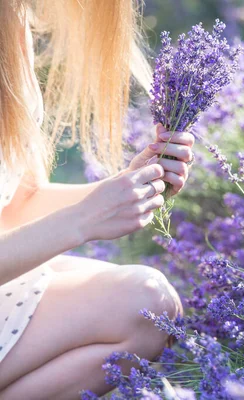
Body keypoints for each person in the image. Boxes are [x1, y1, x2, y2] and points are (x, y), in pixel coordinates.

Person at [0, 1, 192, 398]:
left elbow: (17, 203)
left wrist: (128, 188)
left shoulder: (11, 17)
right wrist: (82, 220)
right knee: (142, 301)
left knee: (149, 312)